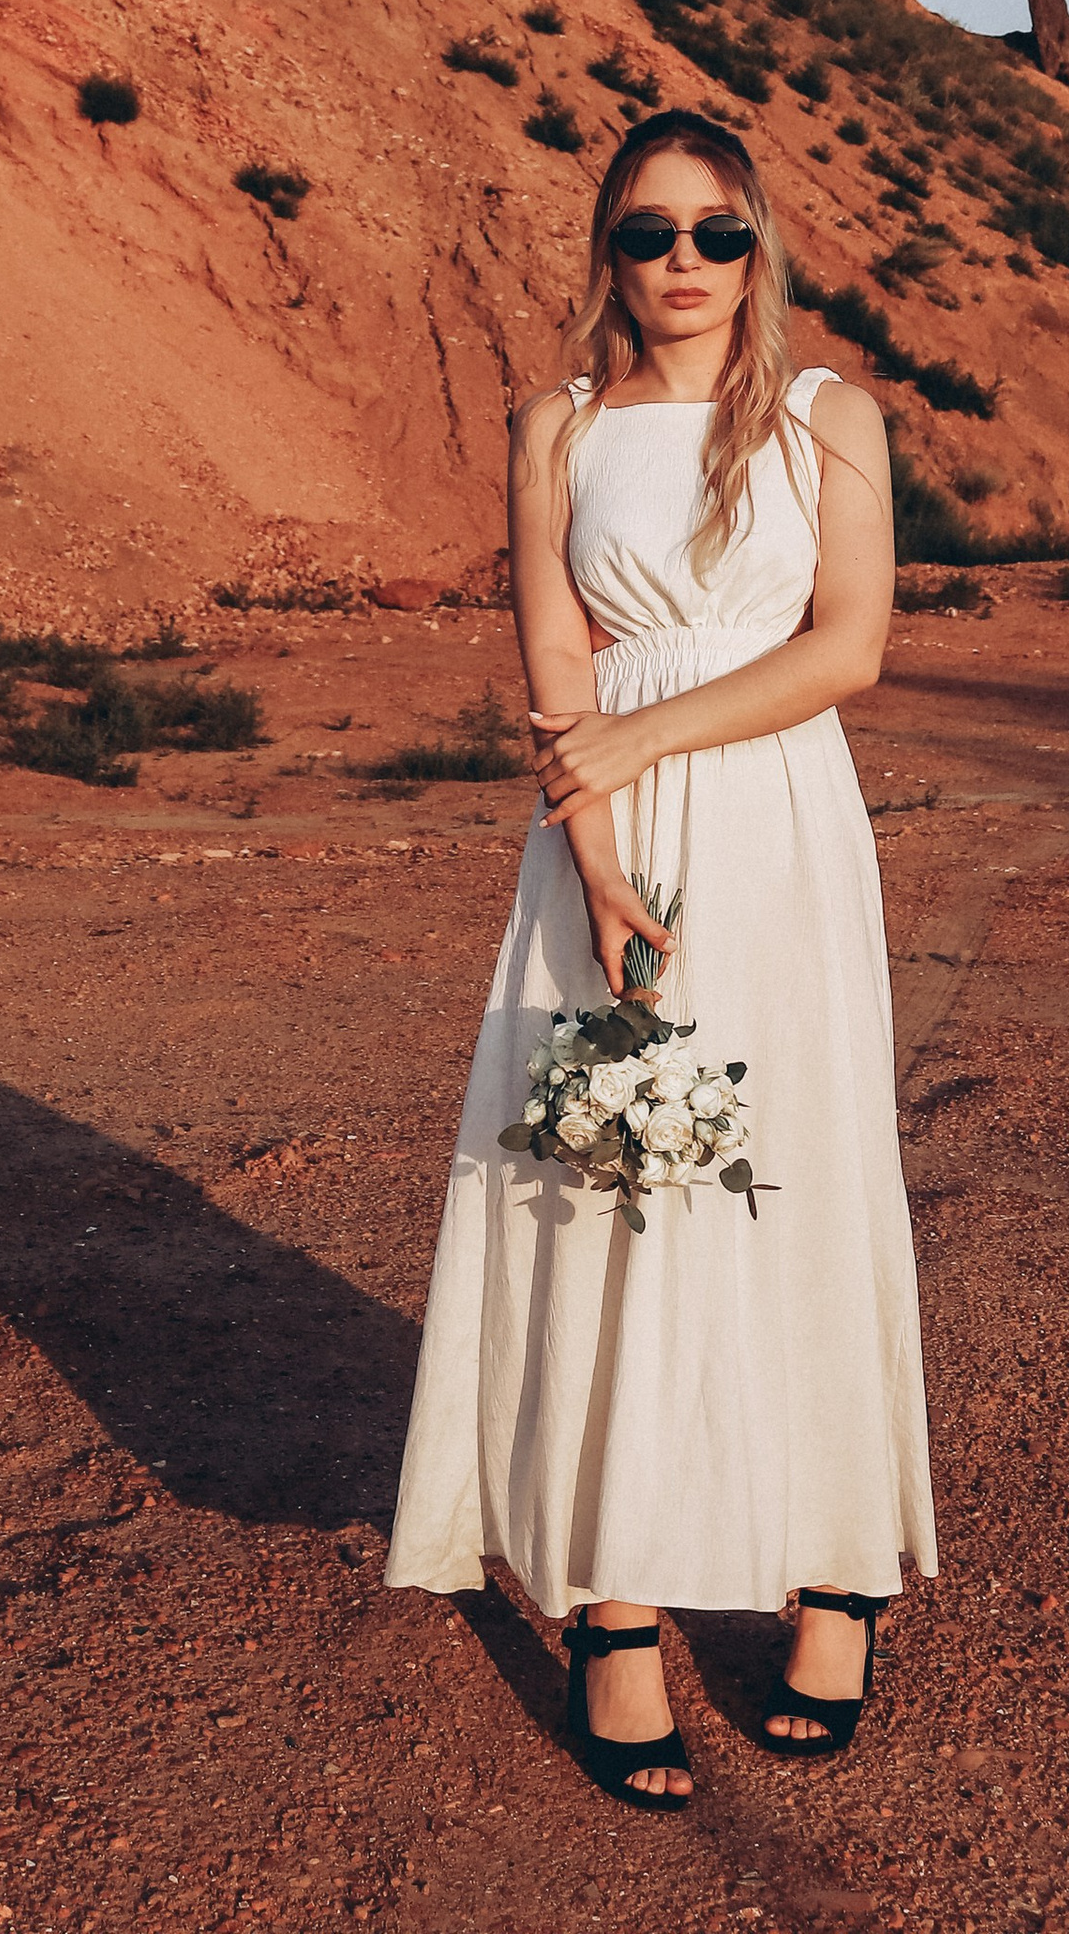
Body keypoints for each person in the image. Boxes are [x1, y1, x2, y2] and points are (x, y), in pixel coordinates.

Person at [386, 106, 935, 1804]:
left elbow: (849, 647)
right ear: (607, 252)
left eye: (715, 231)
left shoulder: (829, 414)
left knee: (795, 1165)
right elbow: (557, 659)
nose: (682, 261)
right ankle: (612, 1604)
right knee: (601, 1185)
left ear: (759, 245)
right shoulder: (554, 423)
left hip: (777, 824)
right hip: (597, 840)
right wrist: (601, 855)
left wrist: (647, 737)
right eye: (647, 231)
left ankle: (834, 1566)